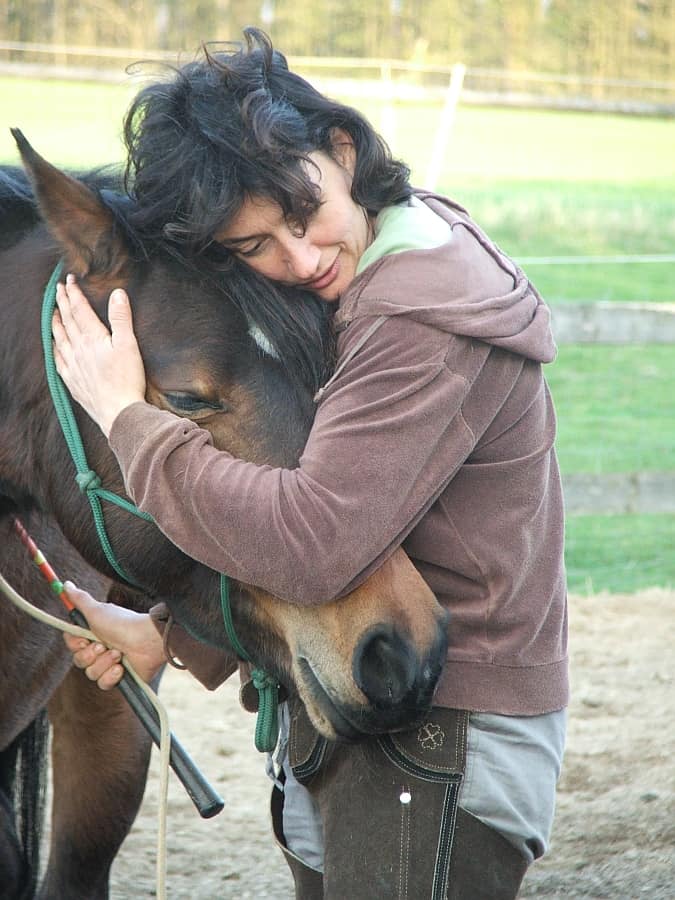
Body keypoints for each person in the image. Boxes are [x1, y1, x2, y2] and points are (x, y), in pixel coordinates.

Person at [54, 28, 568, 899]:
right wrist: (177, 636)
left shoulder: (414, 315)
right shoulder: (382, 263)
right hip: (367, 708)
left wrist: (124, 416)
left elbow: (316, 538)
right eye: (254, 247)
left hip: (436, 727)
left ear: (341, 149)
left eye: (303, 214)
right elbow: (314, 486)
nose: (297, 260)